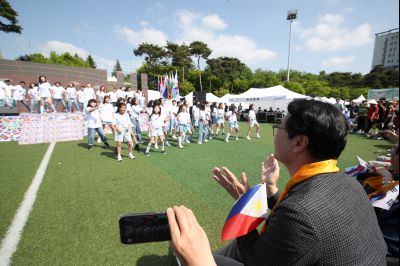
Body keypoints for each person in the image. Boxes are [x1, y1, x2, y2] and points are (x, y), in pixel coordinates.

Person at [167, 99, 387, 266]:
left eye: (279, 127)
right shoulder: (348, 183)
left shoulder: (302, 213)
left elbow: (255, 258)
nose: (275, 134)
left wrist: (244, 204)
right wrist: (271, 191)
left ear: (299, 142)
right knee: (233, 247)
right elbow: (299, 220)